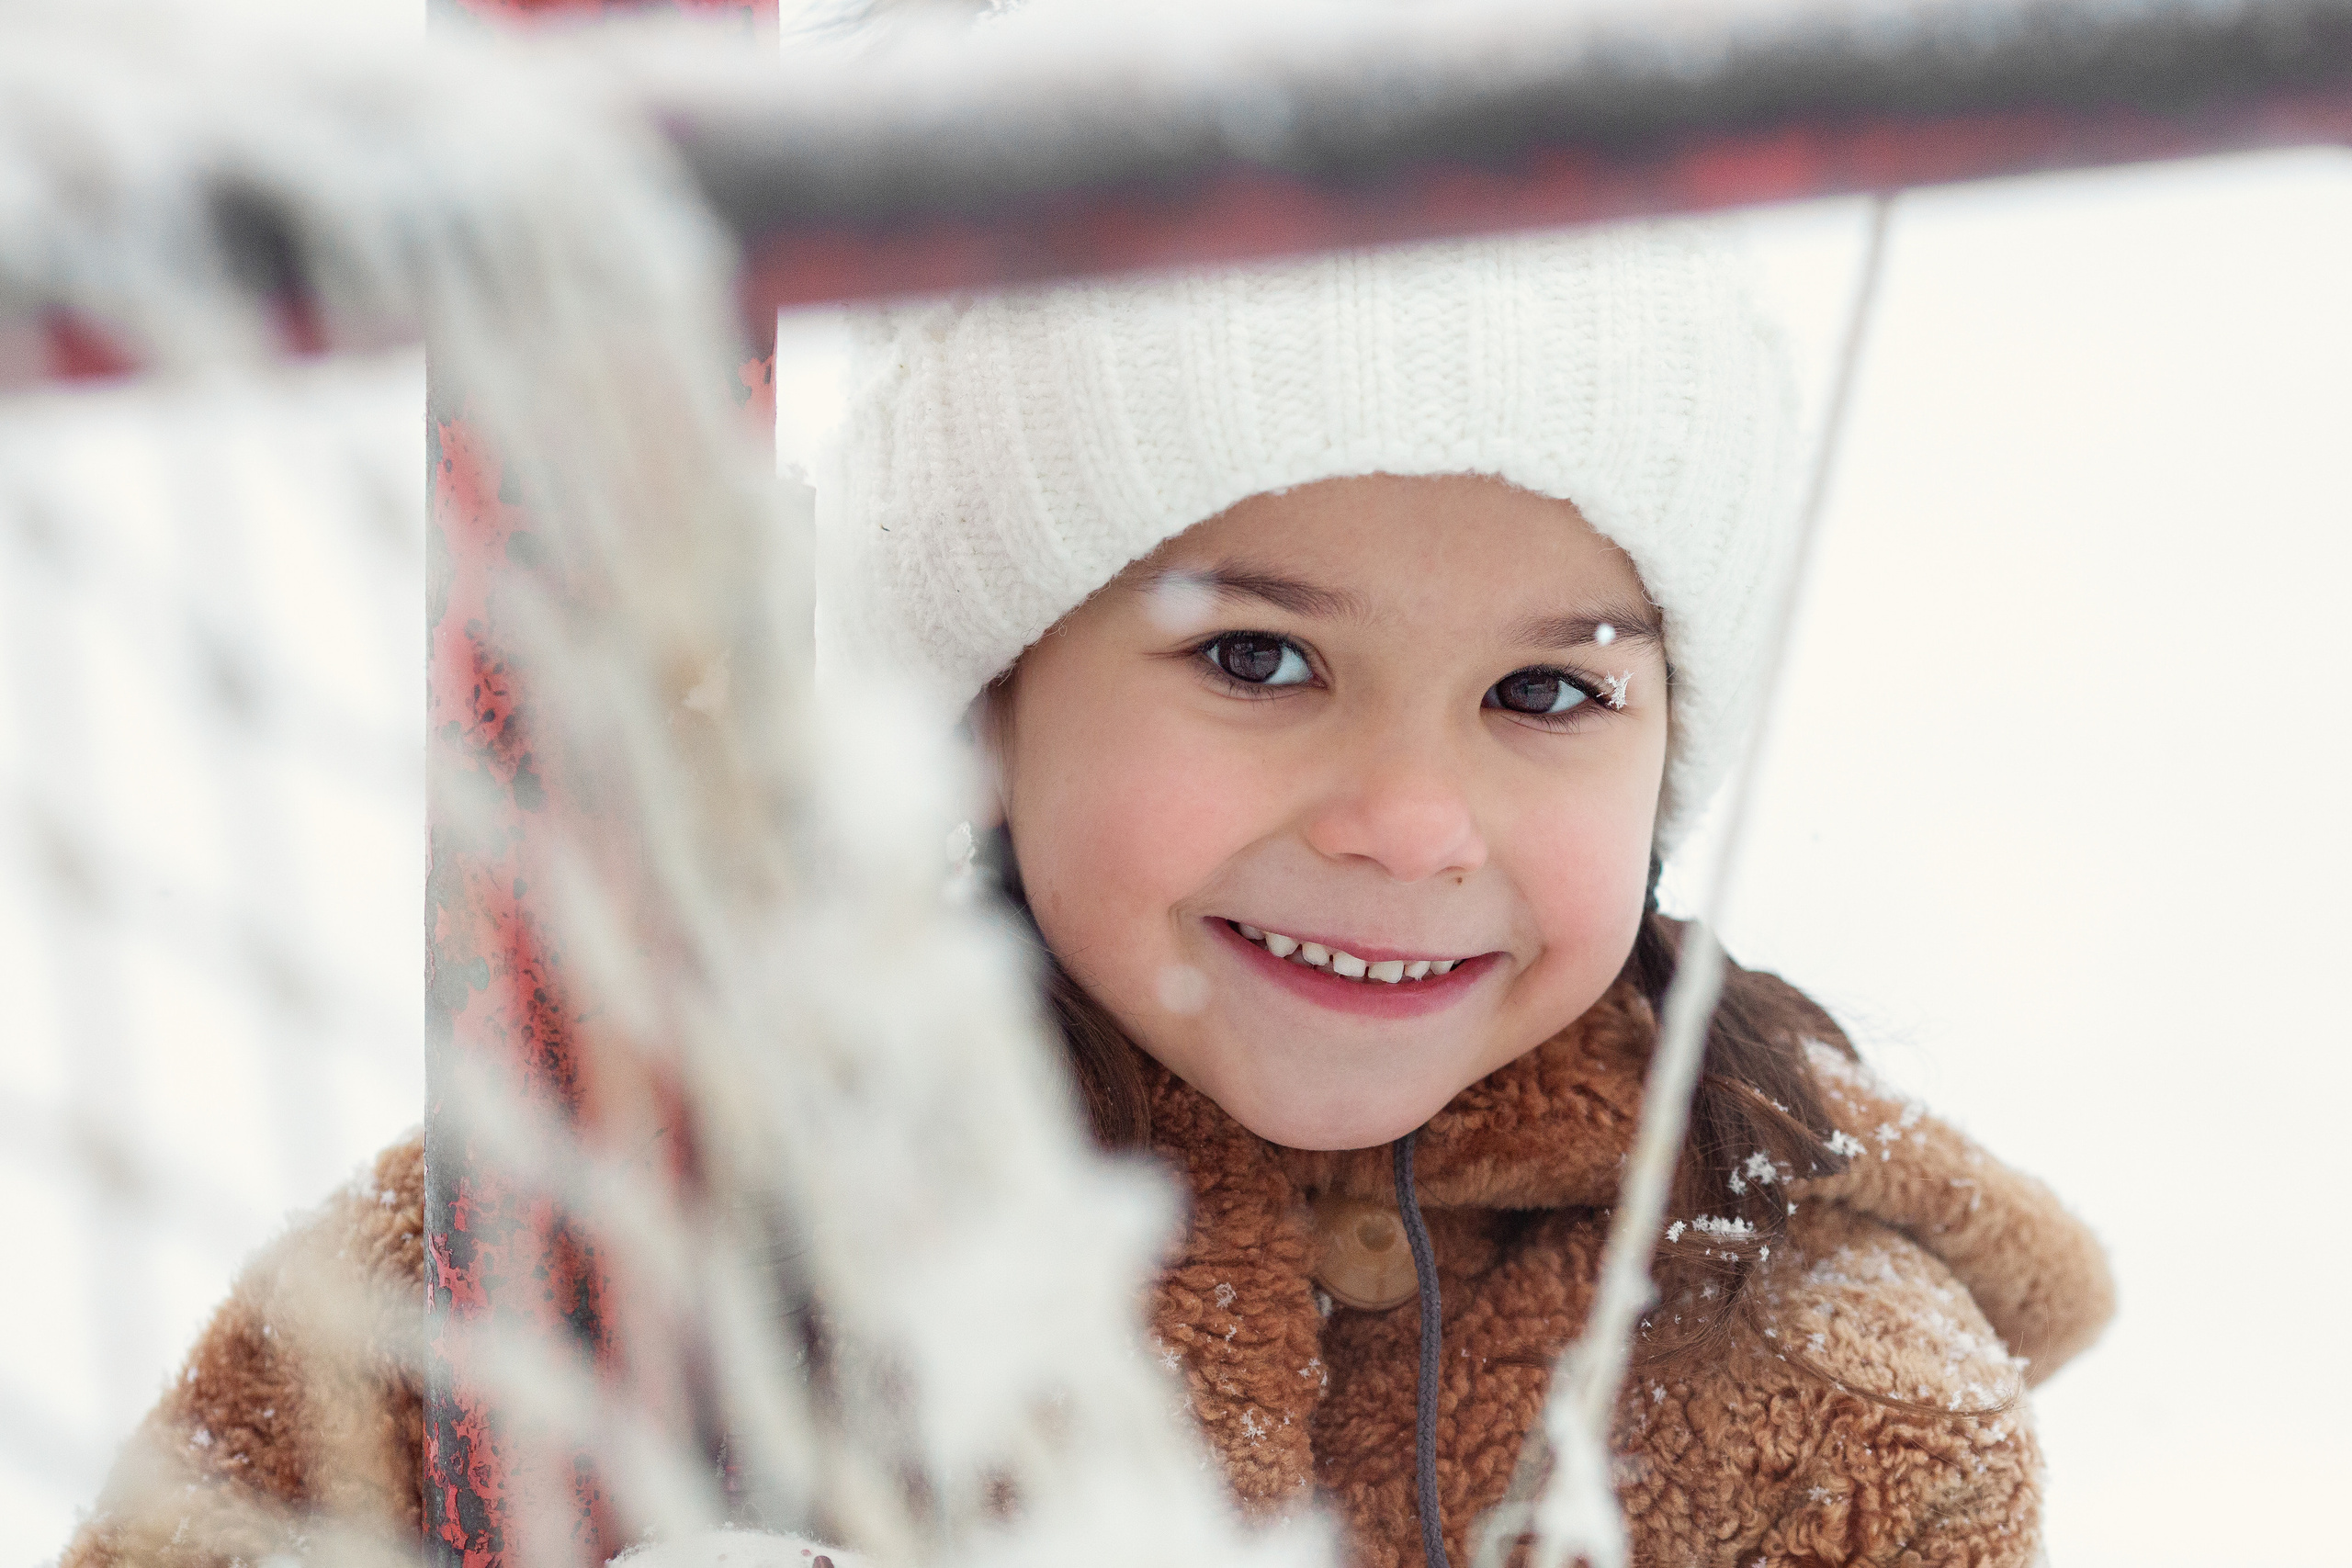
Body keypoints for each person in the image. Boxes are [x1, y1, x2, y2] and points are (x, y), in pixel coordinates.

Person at [62, 225, 2113, 1568]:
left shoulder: (1815, 1377)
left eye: (1547, 689)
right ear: (985, 701)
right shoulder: (593, 1234)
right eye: (1256, 658)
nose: (1409, 818)